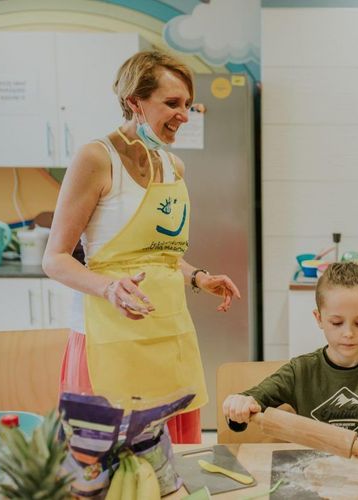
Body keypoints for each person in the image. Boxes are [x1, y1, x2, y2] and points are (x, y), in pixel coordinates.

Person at [43, 50, 241, 444]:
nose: (184, 115)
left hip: (169, 335)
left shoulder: (173, 166)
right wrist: (108, 288)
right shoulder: (97, 158)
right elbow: (55, 259)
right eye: (172, 103)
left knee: (174, 466)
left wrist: (199, 278)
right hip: (107, 339)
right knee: (110, 466)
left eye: (187, 104)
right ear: (135, 102)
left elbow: (161, 256)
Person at [222, 262, 358, 453]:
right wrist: (239, 406)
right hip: (314, 473)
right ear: (319, 318)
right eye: (336, 322)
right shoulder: (301, 371)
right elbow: (249, 403)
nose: (348, 333)